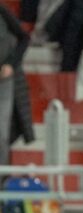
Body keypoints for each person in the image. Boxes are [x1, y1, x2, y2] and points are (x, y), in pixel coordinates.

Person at [0, 4, 31, 169]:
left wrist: (10, 64)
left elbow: (24, 38)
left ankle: (1, 178)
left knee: (1, 134)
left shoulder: (2, 12)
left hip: (3, 81)